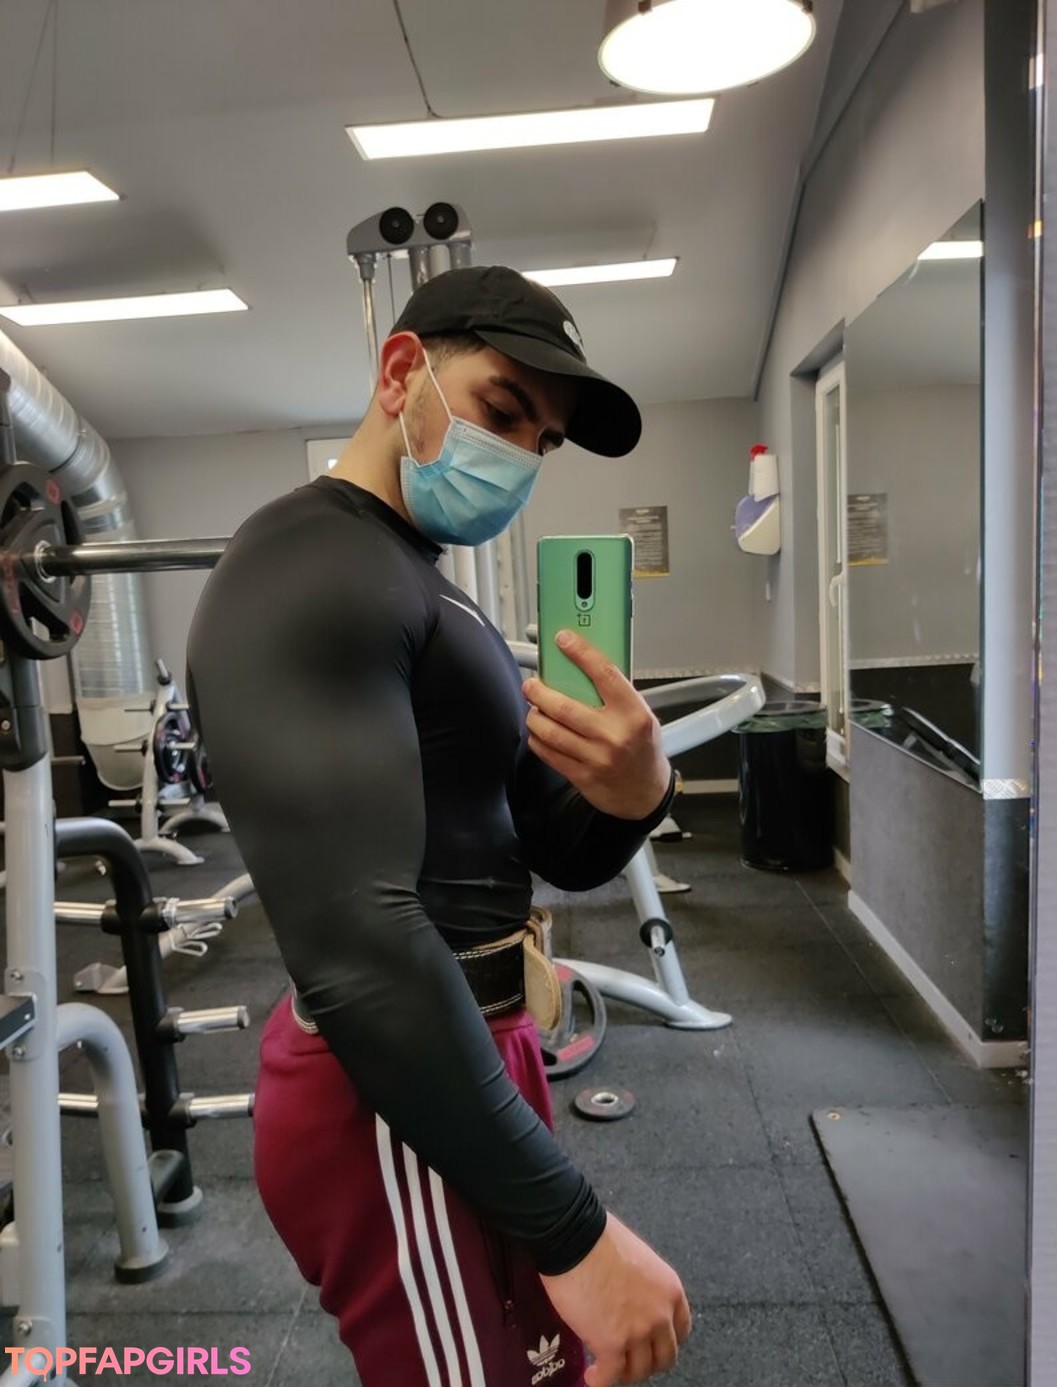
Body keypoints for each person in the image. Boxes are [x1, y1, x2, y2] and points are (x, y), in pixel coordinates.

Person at [186, 264, 691, 1387]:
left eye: (540, 442)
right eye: (502, 410)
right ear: (400, 371)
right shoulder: (308, 565)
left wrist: (637, 787)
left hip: (470, 1043)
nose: (518, 456)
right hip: (388, 1084)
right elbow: (359, 946)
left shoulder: (426, 584)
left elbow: (545, 847)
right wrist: (574, 1231)